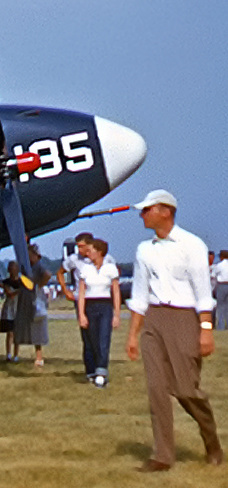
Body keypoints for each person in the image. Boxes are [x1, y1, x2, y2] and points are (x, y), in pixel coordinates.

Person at [124, 190, 220, 471]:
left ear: (165, 211)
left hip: (184, 319)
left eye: (147, 210)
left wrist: (205, 330)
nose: (142, 215)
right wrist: (133, 335)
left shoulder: (192, 245)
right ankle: (163, 455)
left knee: (186, 390)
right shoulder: (145, 250)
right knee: (157, 389)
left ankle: (211, 440)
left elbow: (203, 292)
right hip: (154, 319)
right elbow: (140, 295)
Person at [73, 238, 121, 387]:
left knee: (103, 339)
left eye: (91, 250)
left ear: (100, 252)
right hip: (90, 304)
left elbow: (116, 292)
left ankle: (102, 372)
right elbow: (81, 293)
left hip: (105, 305)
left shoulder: (110, 268)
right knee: (92, 340)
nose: (88, 253)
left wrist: (117, 314)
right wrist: (81, 314)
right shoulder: (85, 269)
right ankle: (92, 370)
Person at [13, 243, 51, 367]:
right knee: (20, 325)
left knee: (37, 326)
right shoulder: (25, 267)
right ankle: (15, 354)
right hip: (25, 297)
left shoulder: (38, 266)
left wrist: (38, 285)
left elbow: (47, 275)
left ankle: (39, 356)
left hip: (35, 298)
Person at [0, 261, 21, 362]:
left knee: (17, 332)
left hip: (18, 307)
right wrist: (21, 290)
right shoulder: (6, 282)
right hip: (9, 307)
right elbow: (9, 293)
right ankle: (8, 354)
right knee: (10, 332)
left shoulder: (21, 281)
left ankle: (16, 354)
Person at [213, 250, 228, 332]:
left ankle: (221, 327)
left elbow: (213, 276)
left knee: (221, 307)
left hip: (222, 285)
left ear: (221, 256)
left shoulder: (219, 265)